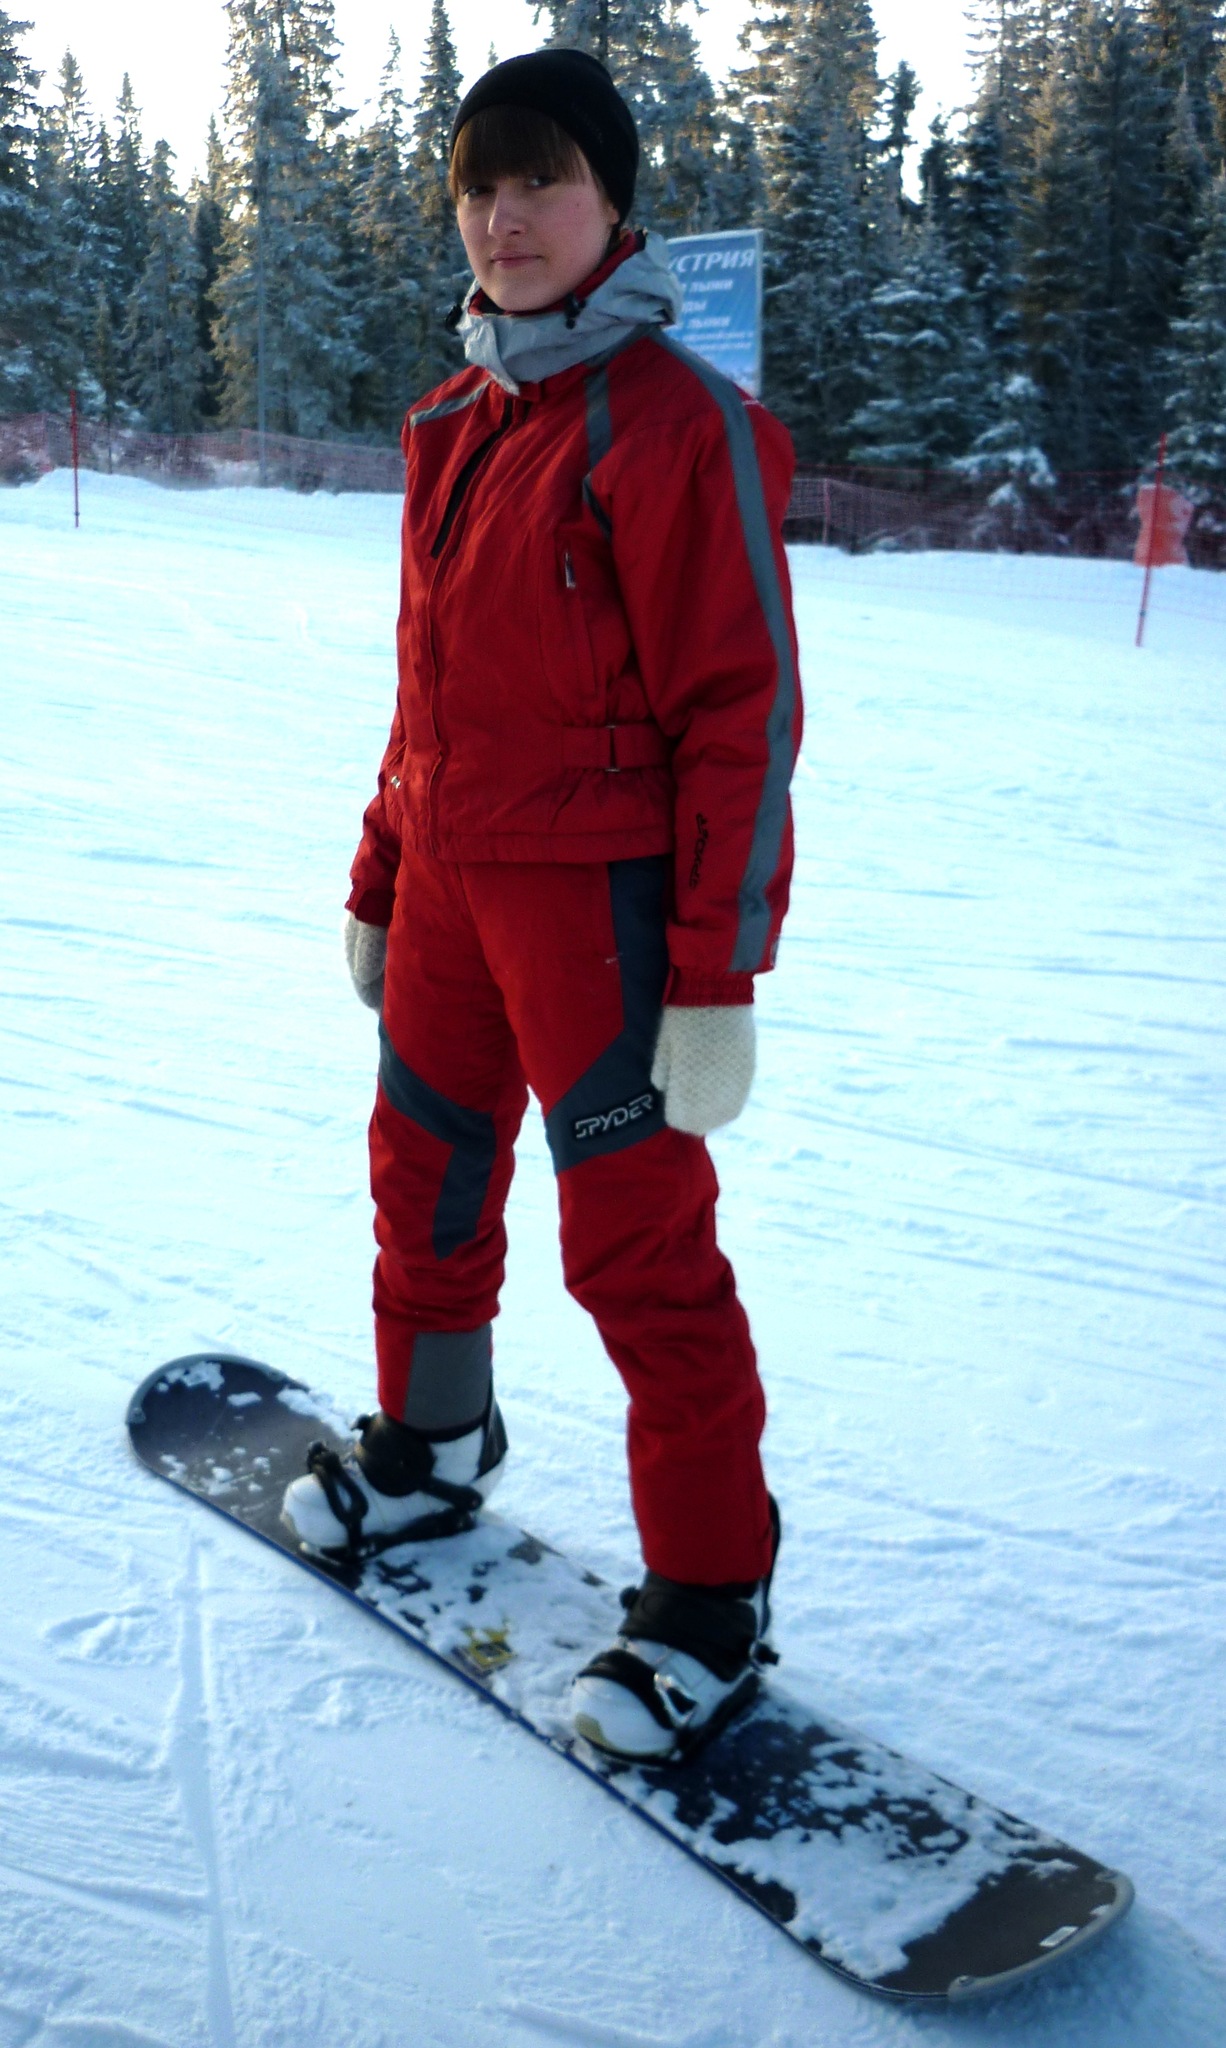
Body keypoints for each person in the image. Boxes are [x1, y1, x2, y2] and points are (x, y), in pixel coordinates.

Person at [282, 48, 802, 1764]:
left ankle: (710, 1595)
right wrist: (383, 871)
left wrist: (714, 973)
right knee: (423, 1174)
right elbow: (426, 691)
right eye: (478, 188)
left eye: (541, 180)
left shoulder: (678, 425)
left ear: (609, 202)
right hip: (450, 889)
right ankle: (434, 1449)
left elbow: (740, 713)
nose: (505, 218)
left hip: (603, 913)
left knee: (636, 1245)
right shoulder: (453, 423)